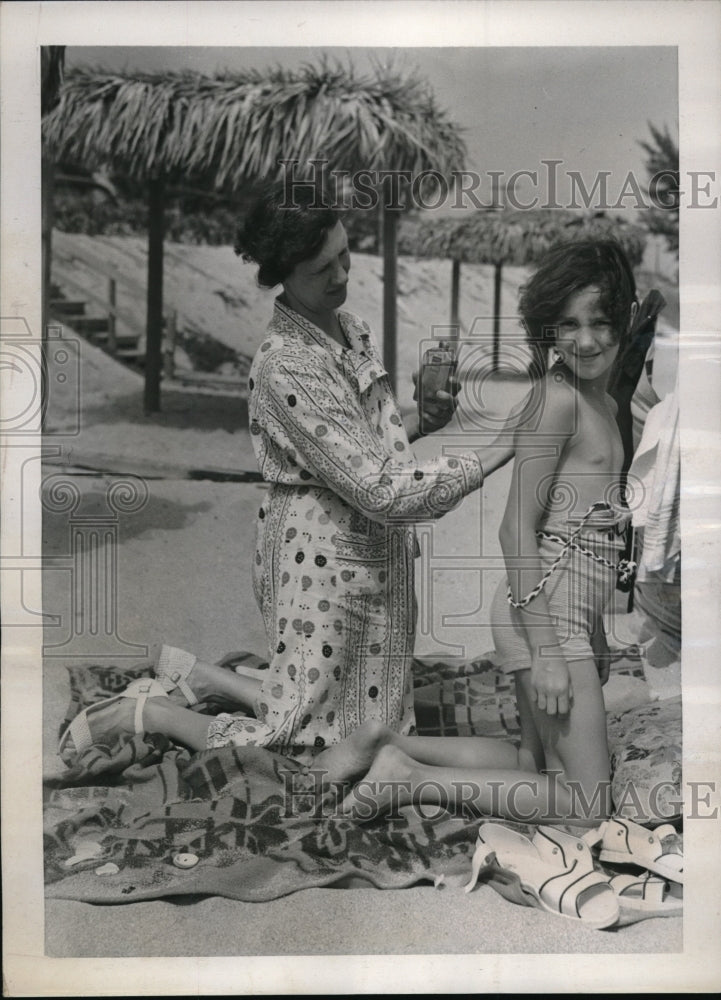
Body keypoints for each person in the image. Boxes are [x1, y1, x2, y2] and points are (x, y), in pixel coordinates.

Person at [59, 183, 516, 767]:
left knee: (362, 722)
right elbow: (378, 487)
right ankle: (148, 713)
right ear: (282, 272)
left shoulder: (347, 328)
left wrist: (420, 418)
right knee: (303, 743)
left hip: (368, 551)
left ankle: (202, 676)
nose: (341, 275)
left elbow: (358, 443)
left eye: (345, 255)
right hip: (320, 564)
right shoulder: (283, 364)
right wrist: (494, 451)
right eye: (321, 268)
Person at [316, 240, 639, 826]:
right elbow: (517, 530)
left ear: (626, 319)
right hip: (545, 612)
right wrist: (548, 653)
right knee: (588, 805)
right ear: (546, 329)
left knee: (530, 765)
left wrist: (595, 636)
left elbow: (591, 533)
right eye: (568, 324)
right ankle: (408, 781)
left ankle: (391, 745)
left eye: (601, 322)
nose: (586, 340)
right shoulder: (558, 403)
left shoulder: (606, 405)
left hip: (562, 611)